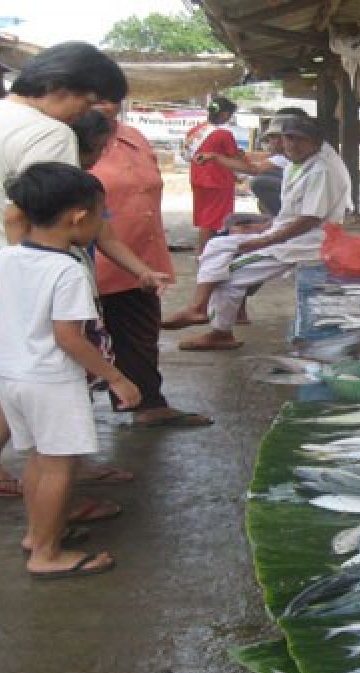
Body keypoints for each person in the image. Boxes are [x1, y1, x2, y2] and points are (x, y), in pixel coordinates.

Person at [0, 42, 164, 520]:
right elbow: (53, 212)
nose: (87, 116)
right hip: (27, 279)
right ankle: (58, 494)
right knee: (56, 386)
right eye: (88, 103)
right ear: (60, 88)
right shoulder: (46, 134)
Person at [0, 162, 139, 577]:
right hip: (50, 379)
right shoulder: (68, 269)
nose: (103, 223)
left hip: (8, 376)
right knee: (60, 467)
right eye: (102, 215)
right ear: (78, 217)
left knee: (37, 460)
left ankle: (37, 534)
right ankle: (46, 554)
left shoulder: (3, 257)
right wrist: (116, 378)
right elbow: (69, 336)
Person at [163, 115, 353, 350]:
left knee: (230, 274)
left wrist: (264, 240)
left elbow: (309, 220)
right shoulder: (300, 158)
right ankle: (198, 308)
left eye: (297, 140)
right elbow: (290, 209)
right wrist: (264, 227)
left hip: (308, 241)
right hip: (289, 232)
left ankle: (220, 332)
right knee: (216, 245)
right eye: (287, 138)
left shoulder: (320, 170)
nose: (289, 145)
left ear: (315, 142)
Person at [89, 99, 214, 428]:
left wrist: (143, 268)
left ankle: (148, 402)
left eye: (111, 97)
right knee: (85, 340)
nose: (104, 105)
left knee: (140, 334)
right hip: (95, 260)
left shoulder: (133, 137)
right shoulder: (64, 139)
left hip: (141, 255)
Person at [186, 95, 242, 256]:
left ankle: (204, 253)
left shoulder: (195, 131)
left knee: (205, 217)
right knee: (211, 220)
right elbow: (233, 158)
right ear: (224, 114)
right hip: (218, 180)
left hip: (198, 178)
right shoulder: (223, 134)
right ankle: (204, 254)